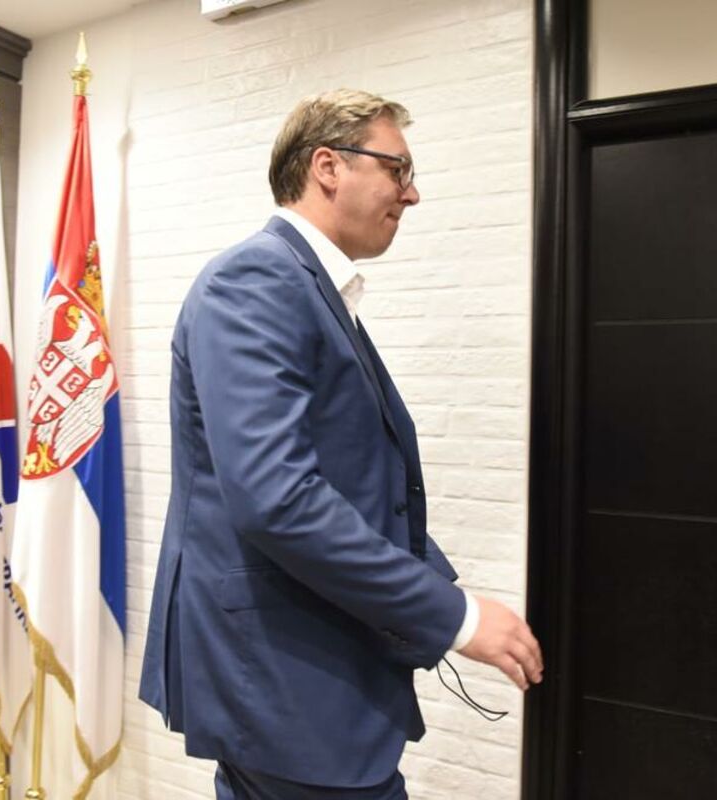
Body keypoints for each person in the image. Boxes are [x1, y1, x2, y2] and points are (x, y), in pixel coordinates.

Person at [139, 89, 543, 800]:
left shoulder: (310, 289)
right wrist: (456, 618)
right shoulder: (258, 280)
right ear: (328, 166)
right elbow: (278, 499)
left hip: (306, 674)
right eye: (397, 168)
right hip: (284, 677)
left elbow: (357, 487)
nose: (411, 193)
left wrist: (437, 592)